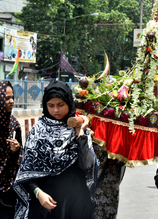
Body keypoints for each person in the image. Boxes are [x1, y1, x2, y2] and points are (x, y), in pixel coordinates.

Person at [14, 81, 98, 219]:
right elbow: (26, 173)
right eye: (51, 106)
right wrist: (38, 193)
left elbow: (86, 165)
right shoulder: (38, 131)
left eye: (61, 105)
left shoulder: (78, 128)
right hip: (46, 204)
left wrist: (80, 132)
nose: (56, 110)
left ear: (69, 103)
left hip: (76, 202)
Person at [0, 81, 22, 219]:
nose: (11, 101)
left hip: (7, 187)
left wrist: (16, 150)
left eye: (12, 97)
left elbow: (20, 157)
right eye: (7, 98)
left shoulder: (14, 124)